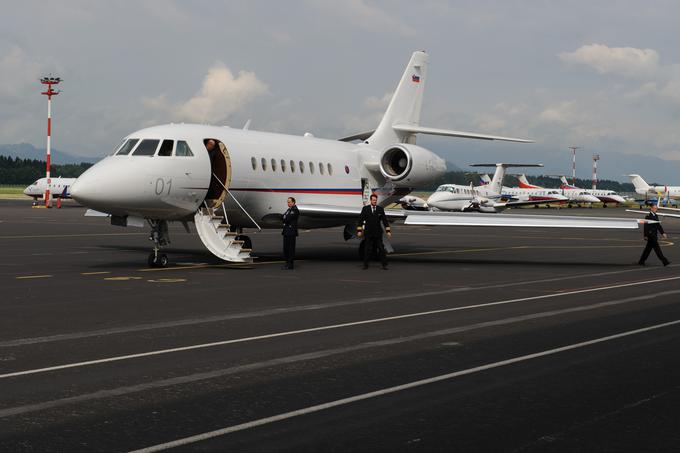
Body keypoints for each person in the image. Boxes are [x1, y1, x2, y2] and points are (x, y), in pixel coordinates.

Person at [357, 193, 391, 270]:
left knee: (381, 249)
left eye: (376, 200)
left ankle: (384, 264)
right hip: (368, 232)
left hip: (377, 233)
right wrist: (359, 230)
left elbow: (385, 221)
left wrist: (388, 231)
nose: (375, 201)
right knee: (367, 249)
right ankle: (365, 265)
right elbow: (360, 220)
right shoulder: (365, 209)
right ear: (370, 200)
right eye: (373, 200)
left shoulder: (380, 209)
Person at [282, 197, 299, 269]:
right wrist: (284, 218)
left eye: (289, 202)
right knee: (286, 248)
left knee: (290, 249)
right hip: (286, 232)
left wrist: (284, 218)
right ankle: (287, 263)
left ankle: (290, 264)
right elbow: (283, 217)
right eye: (287, 202)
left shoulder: (295, 210)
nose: (288, 203)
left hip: (291, 232)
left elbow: (287, 218)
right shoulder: (289, 210)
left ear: (293, 202)